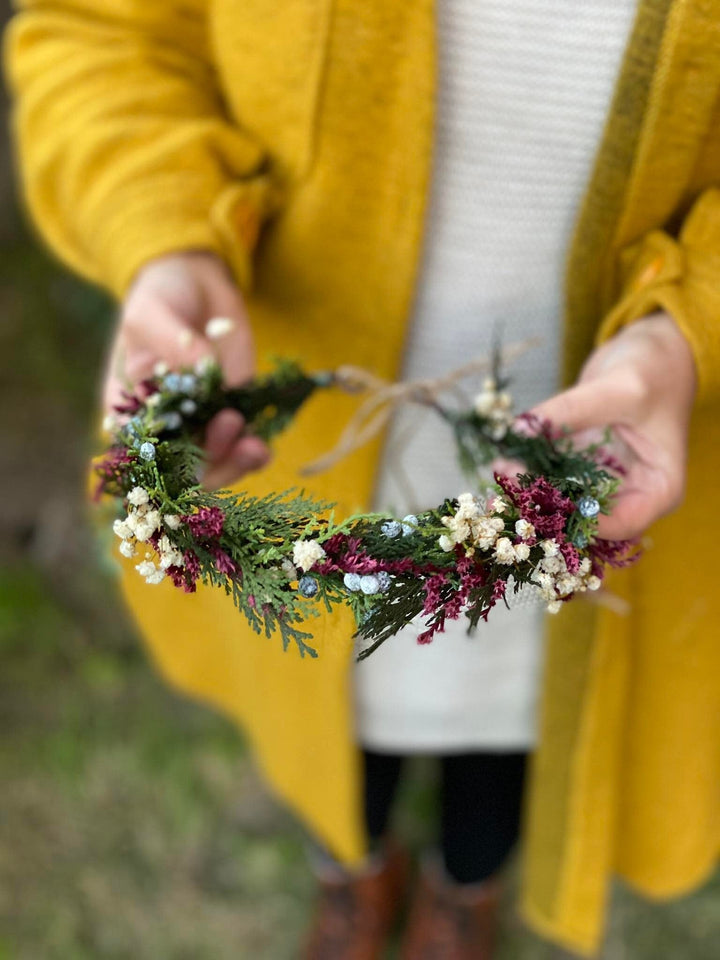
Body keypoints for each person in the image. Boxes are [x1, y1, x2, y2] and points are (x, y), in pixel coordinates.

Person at [6, 1, 719, 957]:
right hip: (293, 442)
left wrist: (693, 324)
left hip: (605, 455)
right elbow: (101, 32)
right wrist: (165, 232)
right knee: (327, 713)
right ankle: (351, 867)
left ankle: (464, 887)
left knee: (516, 722)